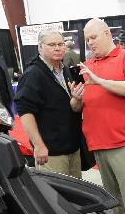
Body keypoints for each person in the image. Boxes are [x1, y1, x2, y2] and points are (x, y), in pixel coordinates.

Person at [75, 18, 125, 214]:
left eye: (93, 37)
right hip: (99, 144)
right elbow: (77, 107)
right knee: (114, 201)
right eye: (87, 39)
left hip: (123, 142)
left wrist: (98, 81)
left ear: (107, 34)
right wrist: (76, 98)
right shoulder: (87, 66)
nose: (90, 42)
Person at [14, 31, 84, 179]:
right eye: (52, 45)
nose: (58, 48)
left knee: (77, 196)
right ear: (40, 47)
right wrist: (38, 145)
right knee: (57, 198)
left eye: (60, 44)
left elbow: (70, 106)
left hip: (72, 147)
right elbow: (25, 111)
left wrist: (77, 99)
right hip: (51, 152)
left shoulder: (64, 70)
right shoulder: (33, 74)